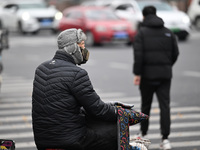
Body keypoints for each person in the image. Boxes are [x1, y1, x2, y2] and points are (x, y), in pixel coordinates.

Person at [32, 28, 148, 150]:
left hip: (42, 140)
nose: (84, 49)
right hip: (71, 140)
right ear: (72, 48)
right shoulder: (77, 73)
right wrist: (121, 113)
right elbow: (98, 109)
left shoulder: (41, 69)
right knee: (114, 130)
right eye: (82, 45)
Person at [132, 6, 179, 150]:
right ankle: (165, 139)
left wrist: (137, 74)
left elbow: (138, 56)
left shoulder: (142, 33)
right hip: (165, 75)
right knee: (165, 106)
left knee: (146, 105)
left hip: (147, 76)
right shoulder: (168, 32)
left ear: (144, 16)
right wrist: (166, 65)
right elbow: (175, 53)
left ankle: (143, 134)